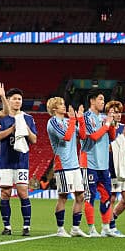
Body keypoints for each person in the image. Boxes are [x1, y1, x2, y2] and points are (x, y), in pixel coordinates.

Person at [0, 84, 36, 236]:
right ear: (9, 100)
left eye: (19, 99)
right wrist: (12, 129)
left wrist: (26, 129)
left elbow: (34, 139)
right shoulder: (3, 117)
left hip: (21, 161)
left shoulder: (28, 118)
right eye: (14, 99)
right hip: (5, 161)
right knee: (5, 193)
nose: (18, 101)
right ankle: (7, 226)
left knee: (22, 192)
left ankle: (26, 226)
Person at [46, 97, 86, 237]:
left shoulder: (68, 121)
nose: (64, 106)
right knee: (63, 196)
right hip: (63, 164)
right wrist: (73, 120)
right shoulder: (53, 122)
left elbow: (82, 135)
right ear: (54, 108)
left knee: (80, 196)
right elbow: (67, 137)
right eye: (61, 104)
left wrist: (79, 118)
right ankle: (60, 229)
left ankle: (75, 228)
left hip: (75, 165)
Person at [82, 90, 117, 237]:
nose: (103, 102)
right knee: (90, 196)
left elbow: (113, 137)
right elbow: (94, 136)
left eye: (103, 99)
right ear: (92, 101)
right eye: (100, 99)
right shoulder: (86, 117)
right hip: (90, 163)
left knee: (107, 195)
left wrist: (112, 124)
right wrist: (107, 124)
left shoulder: (103, 118)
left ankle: (106, 228)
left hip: (103, 164)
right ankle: (91, 228)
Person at [104, 100, 125, 237]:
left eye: (119, 112)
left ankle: (111, 219)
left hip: (123, 167)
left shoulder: (123, 127)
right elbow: (108, 148)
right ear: (109, 114)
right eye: (115, 112)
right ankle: (111, 227)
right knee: (112, 197)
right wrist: (123, 137)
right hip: (111, 166)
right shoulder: (106, 127)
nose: (118, 115)